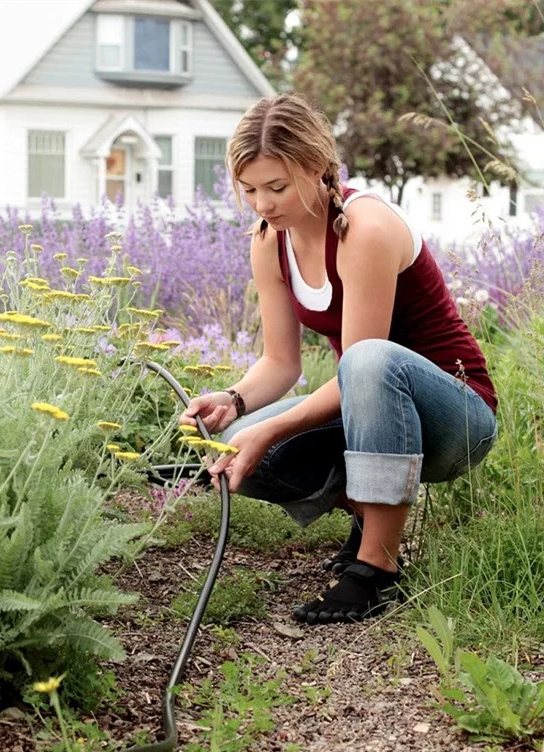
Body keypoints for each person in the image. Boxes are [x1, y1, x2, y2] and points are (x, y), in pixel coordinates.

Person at [178, 94, 498, 625]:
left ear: (319, 168)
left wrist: (274, 427)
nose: (263, 204)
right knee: (239, 446)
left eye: (277, 187)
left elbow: (360, 367)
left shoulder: (364, 229)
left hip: (457, 417)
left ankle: (377, 568)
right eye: (251, 189)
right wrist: (234, 403)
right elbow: (281, 363)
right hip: (370, 409)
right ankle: (379, 515)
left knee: (368, 360)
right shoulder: (268, 242)